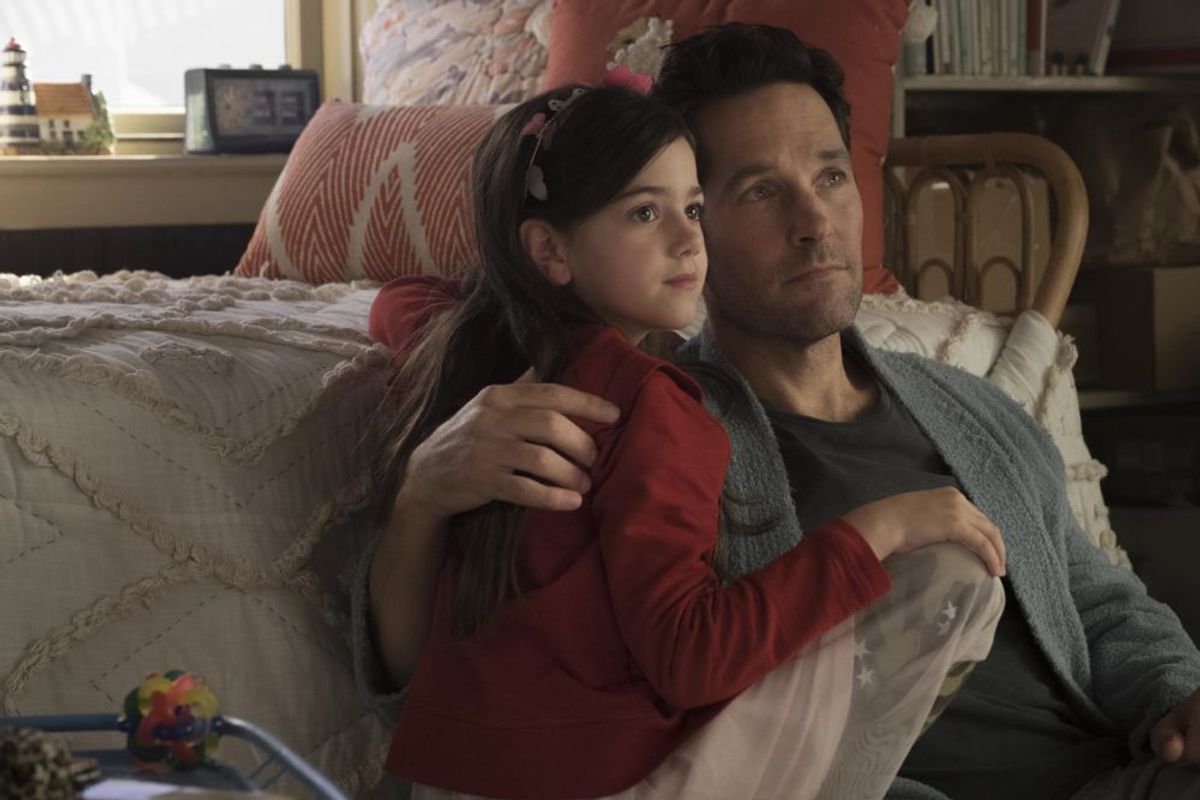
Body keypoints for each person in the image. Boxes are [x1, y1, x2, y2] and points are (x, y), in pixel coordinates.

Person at [356, 23, 1200, 800]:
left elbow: (1101, 603)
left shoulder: (972, 407)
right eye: (761, 192)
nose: (814, 222)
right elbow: (463, 683)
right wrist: (424, 495)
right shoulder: (637, 422)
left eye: (830, 176)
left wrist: (1179, 695)